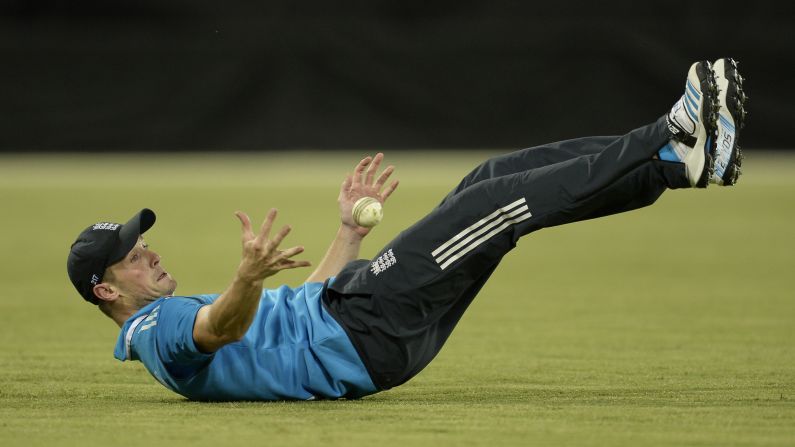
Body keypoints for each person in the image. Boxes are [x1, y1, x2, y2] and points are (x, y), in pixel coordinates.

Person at [67, 58, 746, 401]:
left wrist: (345, 234)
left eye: (140, 240)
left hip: (355, 321)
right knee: (501, 203)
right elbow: (218, 328)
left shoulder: (166, 324)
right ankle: (671, 129)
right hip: (364, 328)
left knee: (492, 181)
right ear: (105, 291)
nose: (147, 251)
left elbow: (291, 311)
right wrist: (244, 277)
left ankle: (677, 163)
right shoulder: (151, 332)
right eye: (131, 253)